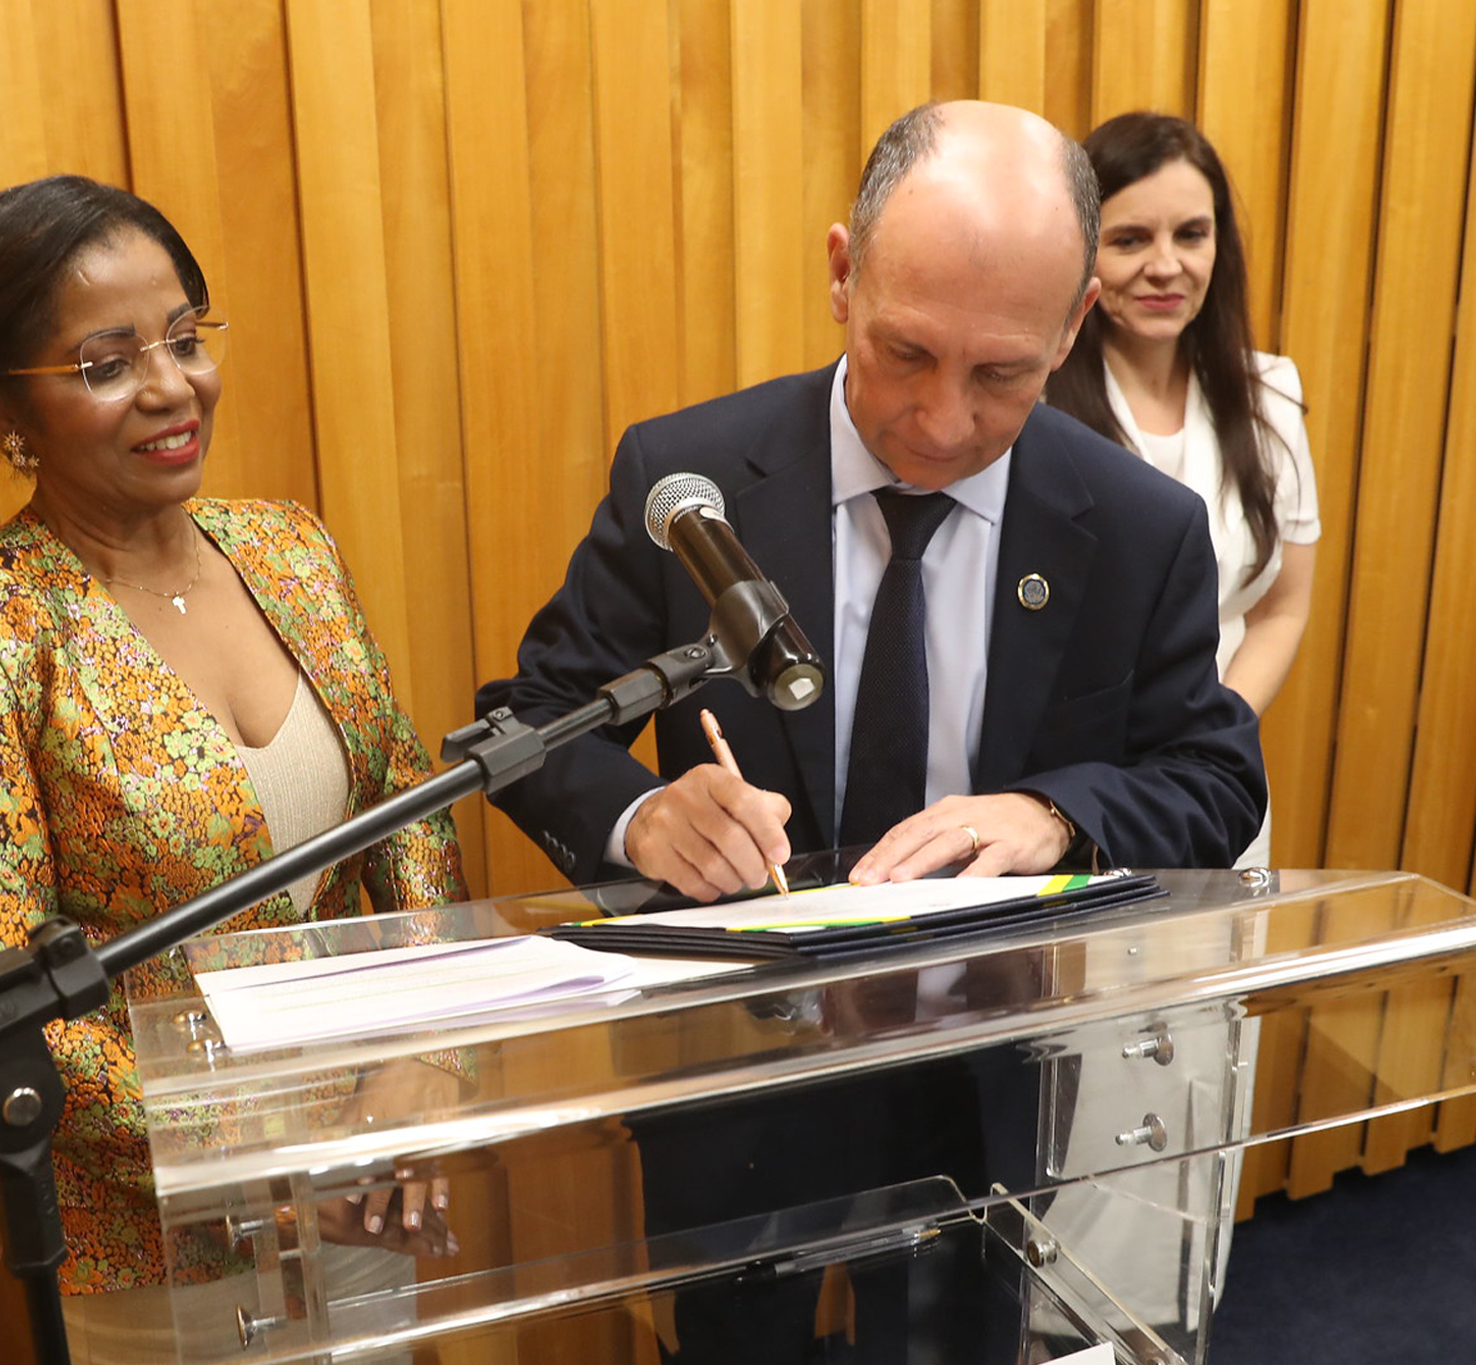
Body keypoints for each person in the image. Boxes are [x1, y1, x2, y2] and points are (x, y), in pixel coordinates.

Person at [475, 100, 1265, 1362]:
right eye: (906, 352)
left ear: (1071, 326)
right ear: (843, 275)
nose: (941, 422)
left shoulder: (1131, 525)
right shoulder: (687, 481)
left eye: (1002, 373)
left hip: (984, 1065)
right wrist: (640, 814)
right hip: (734, 1067)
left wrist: (1052, 813)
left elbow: (1212, 777)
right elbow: (527, 720)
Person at [0, 175, 465, 1362]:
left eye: (186, 338)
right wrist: (263, 1151)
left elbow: (406, 811)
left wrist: (423, 1061)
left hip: (369, 1191)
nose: (171, 387)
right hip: (162, 1257)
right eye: (106, 363)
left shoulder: (288, 546)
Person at [1044, 111, 1319, 868]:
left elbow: (1281, 606)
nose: (1166, 266)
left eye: (1191, 235)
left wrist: (1213, 730)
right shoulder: (1030, 409)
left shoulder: (1272, 395)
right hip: (1069, 793)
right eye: (1131, 240)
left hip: (1209, 786)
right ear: (1081, 252)